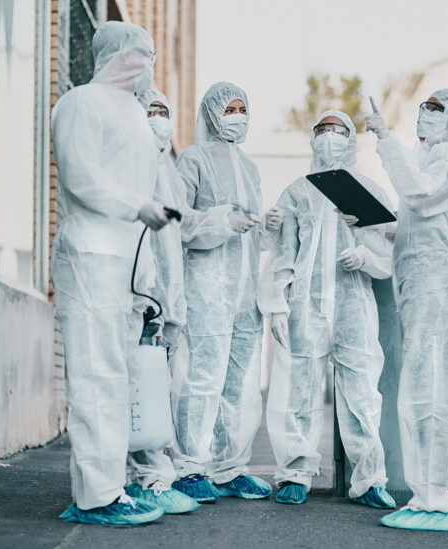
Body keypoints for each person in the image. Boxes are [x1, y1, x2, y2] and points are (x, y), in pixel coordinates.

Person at [51, 22, 174, 525]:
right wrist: (136, 206)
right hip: (91, 259)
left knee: (118, 378)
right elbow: (81, 176)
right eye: (141, 54)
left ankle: (113, 485)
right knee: (96, 377)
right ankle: (95, 497)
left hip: (124, 269)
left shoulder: (134, 115)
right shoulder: (82, 102)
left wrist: (146, 277)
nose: (148, 64)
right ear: (117, 56)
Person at [364, 90, 448, 532]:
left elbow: (419, 196)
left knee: (428, 386)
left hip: (439, 286)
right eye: (424, 108)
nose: (426, 116)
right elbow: (423, 220)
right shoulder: (435, 162)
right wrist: (379, 225)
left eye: (437, 110)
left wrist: (384, 138)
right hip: (430, 284)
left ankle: (431, 499)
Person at [258, 110, 396, 508]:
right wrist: (277, 305)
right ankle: (294, 474)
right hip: (307, 307)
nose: (330, 137)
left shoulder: (368, 189)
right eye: (322, 130)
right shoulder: (297, 192)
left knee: (362, 396)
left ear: (351, 139)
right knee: (300, 393)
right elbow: (283, 253)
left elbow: (388, 248)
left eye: (338, 130)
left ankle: (369, 479)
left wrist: (364, 257)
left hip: (353, 306)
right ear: (312, 138)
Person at [125, 89, 245, 512]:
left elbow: (184, 224)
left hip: (165, 301)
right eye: (150, 111)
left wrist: (223, 220)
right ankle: (142, 479)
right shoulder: (129, 165)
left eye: (163, 112)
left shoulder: (168, 170)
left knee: (155, 392)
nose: (158, 119)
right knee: (132, 390)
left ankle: (155, 475)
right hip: (138, 296)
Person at [170, 82, 282, 502]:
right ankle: (189, 468)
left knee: (238, 384)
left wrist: (268, 228)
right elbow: (180, 222)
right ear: (212, 113)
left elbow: (253, 235)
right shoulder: (193, 160)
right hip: (207, 289)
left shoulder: (250, 167)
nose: (237, 115)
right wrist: (221, 220)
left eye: (242, 108)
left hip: (244, 293)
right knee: (203, 378)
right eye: (229, 108)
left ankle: (230, 466)